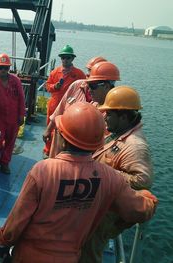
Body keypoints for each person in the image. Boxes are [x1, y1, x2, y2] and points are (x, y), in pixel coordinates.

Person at [0, 102, 158, 263]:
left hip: (28, 256)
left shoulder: (43, 170)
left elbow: (18, 218)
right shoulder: (110, 177)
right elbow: (138, 210)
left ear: (63, 137)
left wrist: (1, 243)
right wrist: (149, 199)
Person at [79, 86, 153, 263]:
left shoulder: (135, 146)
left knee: (89, 251)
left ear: (124, 116)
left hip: (106, 214)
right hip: (97, 205)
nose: (105, 117)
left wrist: (103, 171)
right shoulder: (118, 134)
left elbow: (143, 180)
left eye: (109, 114)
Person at [44, 61, 120, 158]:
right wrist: (48, 129)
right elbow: (60, 108)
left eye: (92, 85)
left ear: (106, 86)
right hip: (60, 146)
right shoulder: (81, 90)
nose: (89, 87)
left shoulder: (110, 113)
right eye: (88, 74)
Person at [43, 44, 86, 158]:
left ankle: (61, 151)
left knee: (64, 128)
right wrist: (54, 87)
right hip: (54, 103)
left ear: (72, 59)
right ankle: (47, 150)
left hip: (69, 106)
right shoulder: (55, 72)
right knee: (50, 127)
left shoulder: (79, 74)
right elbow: (47, 86)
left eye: (68, 57)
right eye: (63, 57)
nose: (65, 60)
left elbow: (85, 88)